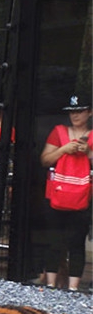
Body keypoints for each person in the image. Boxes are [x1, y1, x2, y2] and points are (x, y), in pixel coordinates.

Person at [39, 94, 92, 292]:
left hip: (83, 195)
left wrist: (87, 151)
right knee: (54, 239)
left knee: (77, 241)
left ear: (90, 112)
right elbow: (45, 160)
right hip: (56, 194)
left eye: (80, 111)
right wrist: (64, 149)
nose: (75, 115)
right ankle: (51, 283)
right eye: (72, 111)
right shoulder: (58, 132)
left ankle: (73, 288)